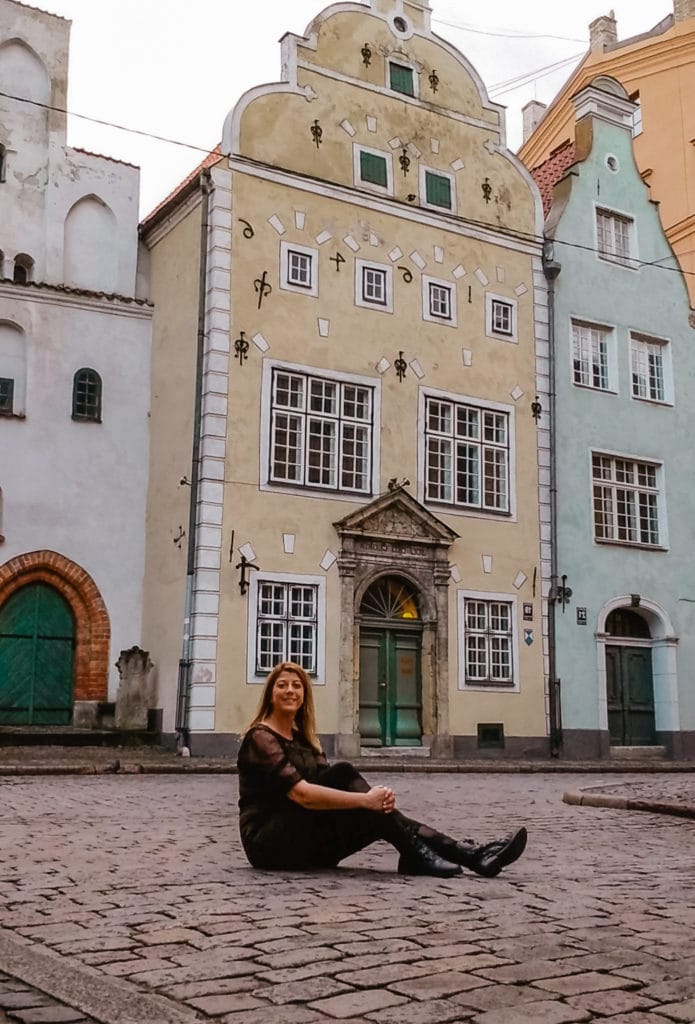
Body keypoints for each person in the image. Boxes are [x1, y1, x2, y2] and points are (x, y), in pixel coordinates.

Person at [237, 661, 527, 878]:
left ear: (304, 695)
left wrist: (370, 803)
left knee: (367, 803)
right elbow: (304, 796)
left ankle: (469, 855)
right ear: (270, 694)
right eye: (282, 685)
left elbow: (327, 794)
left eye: (297, 685)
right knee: (345, 776)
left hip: (305, 842)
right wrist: (366, 800)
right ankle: (457, 853)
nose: (290, 691)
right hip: (270, 846)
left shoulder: (304, 739)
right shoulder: (261, 738)